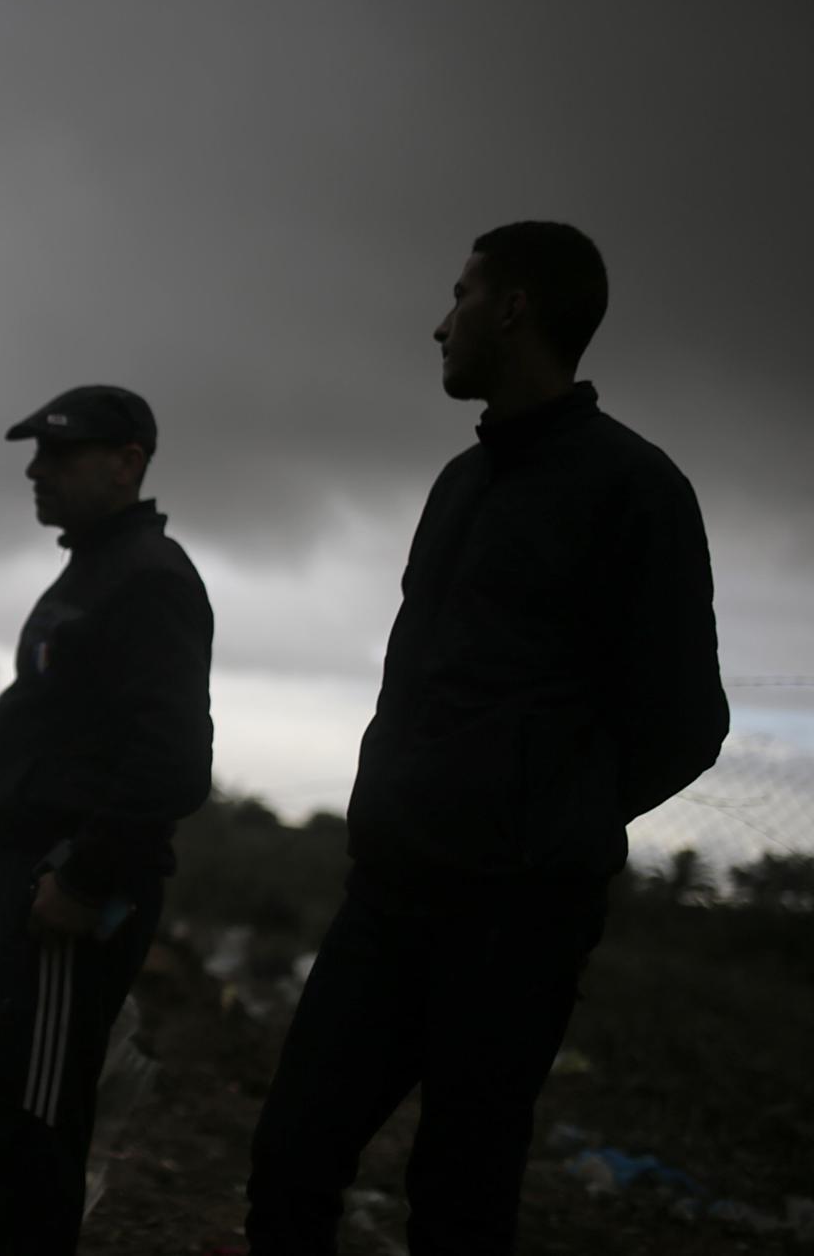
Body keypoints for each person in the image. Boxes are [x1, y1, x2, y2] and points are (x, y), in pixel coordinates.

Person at [244, 222, 729, 1254]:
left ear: (513, 308)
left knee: (459, 1195)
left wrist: (540, 822)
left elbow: (690, 721)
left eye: (459, 294)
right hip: (388, 895)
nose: (439, 322)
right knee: (291, 1153)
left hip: (516, 923)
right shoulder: (459, 485)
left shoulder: (635, 489)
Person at [0, 384, 214, 1254]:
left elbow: (173, 761)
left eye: (58, 455)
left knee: (32, 1127)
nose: (37, 470)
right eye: (36, 454)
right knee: (4, 1112)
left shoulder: (151, 580)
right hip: (29, 879)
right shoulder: (95, 568)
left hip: (64, 895)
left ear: (127, 461)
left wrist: (81, 877)